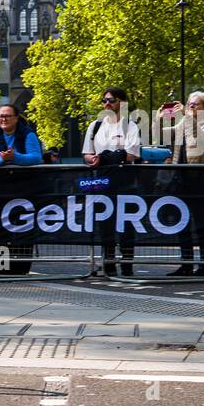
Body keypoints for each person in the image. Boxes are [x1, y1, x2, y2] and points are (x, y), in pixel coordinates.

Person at [80, 88, 140, 276]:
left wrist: (110, 157)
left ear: (122, 103)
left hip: (125, 181)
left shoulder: (131, 126)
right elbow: (86, 154)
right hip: (101, 180)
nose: (106, 104)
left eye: (111, 100)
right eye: (104, 100)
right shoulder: (95, 126)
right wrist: (94, 160)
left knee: (126, 224)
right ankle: (108, 263)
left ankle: (127, 264)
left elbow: (131, 155)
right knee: (104, 222)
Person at [0, 104, 44, 275]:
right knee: (2, 228)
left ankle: (22, 268)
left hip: (25, 189)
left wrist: (16, 157)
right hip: (0, 189)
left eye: (7, 116)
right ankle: (4, 267)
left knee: (24, 225)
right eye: (1, 116)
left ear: (16, 118)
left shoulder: (28, 134)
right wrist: (1, 160)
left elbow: (36, 157)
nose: (3, 119)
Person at [166, 90, 204, 276]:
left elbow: (202, 139)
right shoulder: (185, 121)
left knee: (200, 223)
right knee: (181, 221)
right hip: (179, 176)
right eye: (189, 103)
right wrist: (161, 120)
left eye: (195, 104)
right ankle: (186, 264)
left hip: (197, 178)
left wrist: (186, 116)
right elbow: (169, 133)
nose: (190, 107)